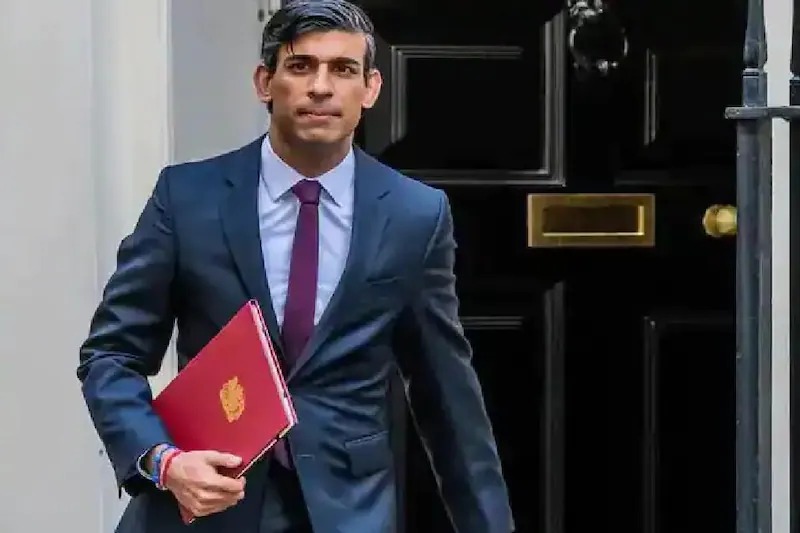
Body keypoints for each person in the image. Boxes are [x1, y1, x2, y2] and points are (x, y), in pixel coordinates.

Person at [76, 1, 514, 531]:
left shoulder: (414, 214)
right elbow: (112, 355)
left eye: (343, 69)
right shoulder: (187, 197)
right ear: (265, 82)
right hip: (208, 505)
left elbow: (447, 397)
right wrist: (162, 461)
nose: (321, 87)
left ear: (370, 88)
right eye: (301, 66)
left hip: (348, 510)